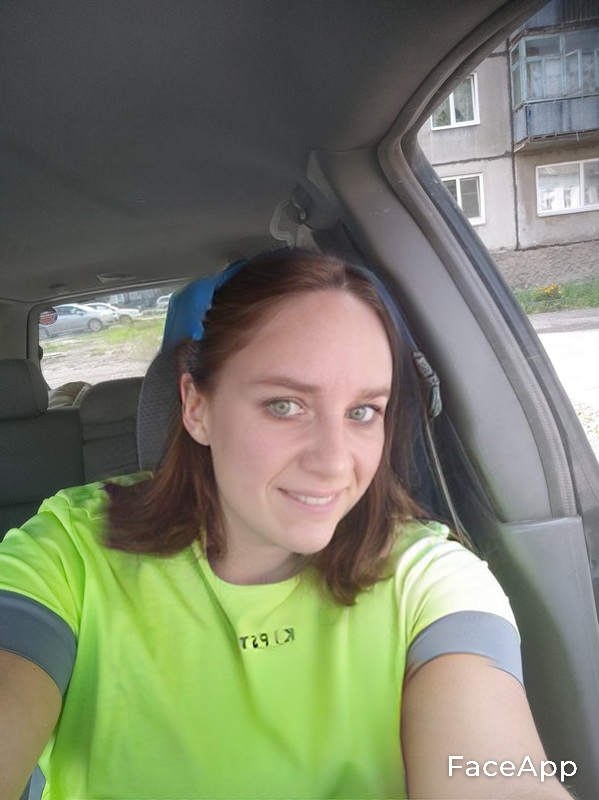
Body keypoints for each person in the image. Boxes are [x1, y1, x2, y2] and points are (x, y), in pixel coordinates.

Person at [0, 250, 573, 799]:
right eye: (285, 405)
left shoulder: (429, 578)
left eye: (362, 412)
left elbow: (499, 778)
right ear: (196, 407)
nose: (334, 463)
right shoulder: (69, 553)